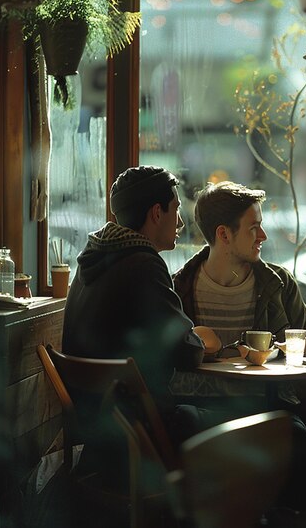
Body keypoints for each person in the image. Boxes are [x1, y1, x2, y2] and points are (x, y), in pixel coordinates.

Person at [172, 180, 306, 512]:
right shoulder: (178, 288)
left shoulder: (280, 284)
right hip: (201, 406)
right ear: (224, 234)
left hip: (267, 404)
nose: (264, 237)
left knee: (298, 438)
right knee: (180, 425)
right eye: (254, 228)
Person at [62, 165, 206, 489]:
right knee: (259, 423)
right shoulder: (143, 262)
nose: (181, 222)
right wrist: (202, 341)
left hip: (99, 429)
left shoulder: (92, 259)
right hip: (135, 428)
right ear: (157, 213)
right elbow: (186, 352)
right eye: (177, 210)